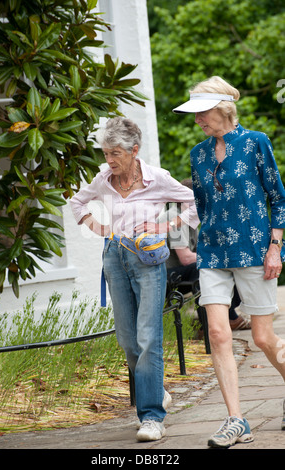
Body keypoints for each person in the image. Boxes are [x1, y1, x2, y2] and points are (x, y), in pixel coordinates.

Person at [69, 117, 199, 442]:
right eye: (105, 153)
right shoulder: (104, 178)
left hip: (147, 261)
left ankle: (152, 416)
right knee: (128, 341)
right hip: (114, 257)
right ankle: (157, 389)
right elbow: (76, 202)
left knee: (148, 337)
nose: (109, 161)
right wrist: (96, 227)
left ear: (134, 150)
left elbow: (194, 202)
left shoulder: (157, 179)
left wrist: (164, 227)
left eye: (115, 153)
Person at [173, 76, 285, 448]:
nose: (197, 121)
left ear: (223, 109)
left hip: (254, 250)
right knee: (218, 333)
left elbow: (278, 199)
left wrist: (275, 247)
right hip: (213, 253)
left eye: (201, 113)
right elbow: (200, 208)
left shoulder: (256, 143)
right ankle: (236, 420)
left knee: (262, 338)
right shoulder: (197, 154)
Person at [165, 180, 251, 332]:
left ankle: (223, 317)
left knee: (230, 264)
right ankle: (214, 324)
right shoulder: (174, 217)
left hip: (180, 272)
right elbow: (185, 258)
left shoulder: (189, 217)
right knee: (201, 269)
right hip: (166, 276)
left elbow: (202, 249)